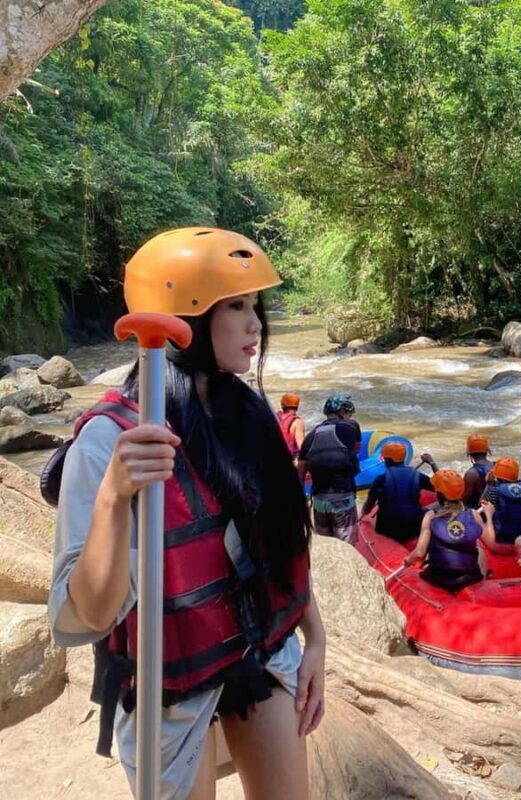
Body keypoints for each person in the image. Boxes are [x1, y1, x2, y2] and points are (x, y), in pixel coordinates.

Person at [47, 227, 326, 800]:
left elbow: (277, 545)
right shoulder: (108, 439)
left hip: (257, 645)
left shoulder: (243, 410)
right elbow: (88, 616)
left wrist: (315, 640)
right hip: (166, 676)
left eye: (256, 307)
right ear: (186, 320)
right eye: (237, 308)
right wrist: (113, 496)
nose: (257, 327)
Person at [404, 470, 496, 592]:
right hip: (467, 578)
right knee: (480, 551)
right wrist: (488, 515)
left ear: (440, 495)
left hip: (438, 578)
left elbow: (420, 552)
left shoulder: (431, 516)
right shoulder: (473, 514)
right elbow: (491, 542)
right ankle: (479, 587)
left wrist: (408, 560)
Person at [297, 393, 361, 545]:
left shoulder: (310, 437)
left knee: (327, 545)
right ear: (343, 412)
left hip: (319, 500)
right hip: (342, 497)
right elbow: (356, 449)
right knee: (346, 548)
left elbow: (300, 474)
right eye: (349, 414)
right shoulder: (351, 425)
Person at [360, 443, 439, 542]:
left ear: (387, 460)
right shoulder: (418, 476)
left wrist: (363, 513)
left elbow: (368, 508)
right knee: (432, 508)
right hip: (413, 528)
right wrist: (431, 462)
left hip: (386, 529)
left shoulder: (380, 479)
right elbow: (442, 488)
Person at [480, 456, 521, 554]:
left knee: (479, 522)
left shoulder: (493, 490)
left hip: (500, 546)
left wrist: (488, 484)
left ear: (496, 475)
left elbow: (481, 510)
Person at [462, 433, 493, 508]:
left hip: (480, 512)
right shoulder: (497, 466)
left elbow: (463, 501)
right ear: (487, 450)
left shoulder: (471, 474)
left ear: (469, 452)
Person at [277, 393, 305, 461]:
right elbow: (301, 447)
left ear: (282, 405)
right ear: (297, 406)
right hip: (289, 459)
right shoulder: (297, 422)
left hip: (274, 456)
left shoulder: (276, 417)